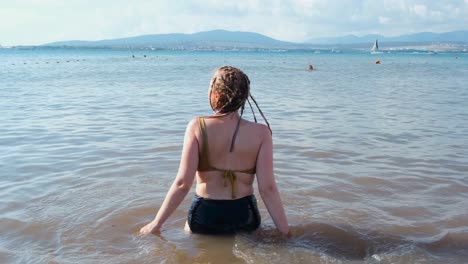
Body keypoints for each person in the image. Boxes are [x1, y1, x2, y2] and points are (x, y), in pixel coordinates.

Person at [140, 66, 289, 235]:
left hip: (204, 215)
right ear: (244, 97)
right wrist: (285, 232)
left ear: (215, 94)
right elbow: (267, 189)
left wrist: (156, 223)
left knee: (194, 244)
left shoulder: (197, 126)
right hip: (244, 214)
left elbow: (182, 184)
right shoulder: (261, 133)